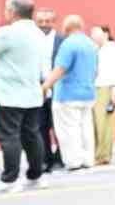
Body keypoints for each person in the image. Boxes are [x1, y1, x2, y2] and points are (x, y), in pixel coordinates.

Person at [0, 0, 49, 195]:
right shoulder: (38, 33)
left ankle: (9, 179)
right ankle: (35, 176)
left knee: (9, 138)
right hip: (31, 93)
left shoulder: (7, 32)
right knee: (32, 136)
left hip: (7, 95)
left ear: (13, 12)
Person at [42, 15, 99, 172]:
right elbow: (96, 70)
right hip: (88, 93)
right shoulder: (90, 44)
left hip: (68, 95)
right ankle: (87, 160)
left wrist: (45, 86)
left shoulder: (68, 44)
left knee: (69, 129)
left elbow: (60, 68)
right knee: (86, 128)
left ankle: (74, 162)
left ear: (66, 28)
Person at [34, 8, 65, 172]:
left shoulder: (62, 40)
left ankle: (60, 157)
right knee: (40, 126)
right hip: (37, 88)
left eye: (47, 21)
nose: (44, 25)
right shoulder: (30, 40)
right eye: (40, 21)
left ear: (54, 22)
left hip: (59, 88)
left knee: (59, 126)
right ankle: (45, 159)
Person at [91, 24, 115, 165]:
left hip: (108, 88)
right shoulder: (97, 50)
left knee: (105, 124)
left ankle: (103, 156)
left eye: (96, 33)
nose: (93, 37)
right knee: (95, 124)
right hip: (96, 88)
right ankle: (96, 154)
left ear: (106, 34)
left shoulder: (113, 51)